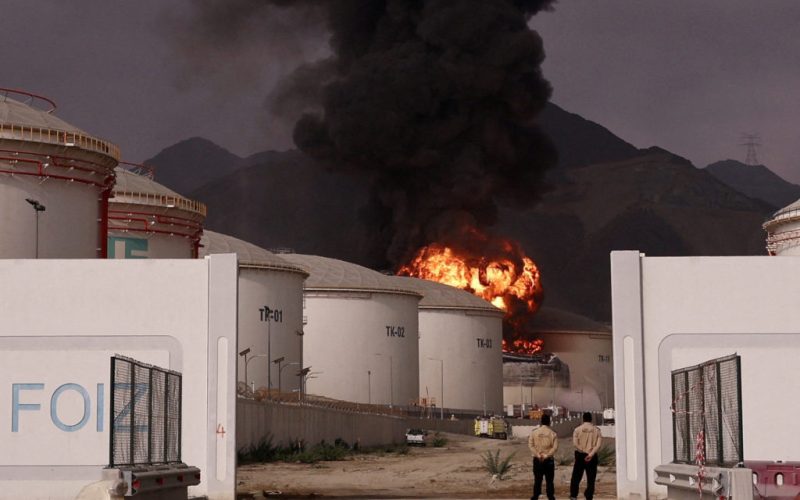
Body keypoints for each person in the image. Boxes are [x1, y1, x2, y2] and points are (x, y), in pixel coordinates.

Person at [570, 412, 603, 500]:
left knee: (576, 477)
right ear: (591, 419)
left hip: (580, 456)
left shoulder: (577, 430)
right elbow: (598, 445)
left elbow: (575, 444)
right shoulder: (597, 430)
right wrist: (590, 454)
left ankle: (573, 495)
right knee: (591, 479)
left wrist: (583, 451)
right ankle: (589, 496)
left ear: (583, 419)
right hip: (592, 456)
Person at [528, 413, 558, 500]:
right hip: (549, 460)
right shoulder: (553, 433)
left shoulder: (534, 432)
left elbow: (530, 445)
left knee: (537, 480)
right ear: (549, 422)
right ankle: (550, 497)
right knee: (549, 481)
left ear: (541, 422)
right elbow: (555, 447)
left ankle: (535, 496)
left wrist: (538, 455)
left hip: (537, 460)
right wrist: (546, 455)